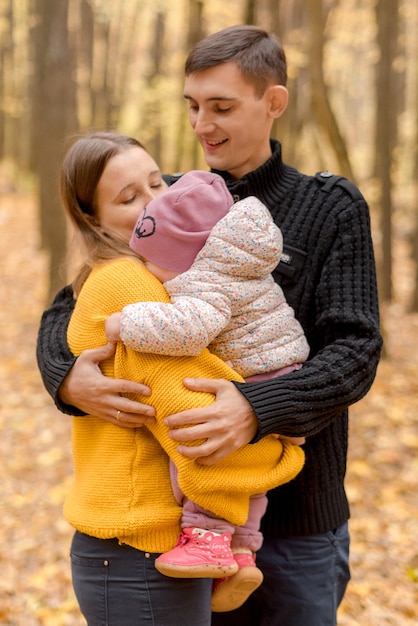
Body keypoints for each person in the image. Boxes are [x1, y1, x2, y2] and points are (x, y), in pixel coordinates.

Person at [36, 25, 383, 626]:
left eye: (221, 107)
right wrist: (68, 379)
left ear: (272, 102)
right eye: (193, 107)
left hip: (298, 519)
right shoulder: (162, 201)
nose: (202, 125)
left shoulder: (330, 205)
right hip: (185, 526)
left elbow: (356, 349)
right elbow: (70, 305)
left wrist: (257, 407)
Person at [48, 131, 305, 625]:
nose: (155, 204)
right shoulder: (128, 282)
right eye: (128, 198)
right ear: (92, 220)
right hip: (137, 549)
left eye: (156, 183)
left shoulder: (159, 274)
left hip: (146, 547)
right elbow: (200, 421)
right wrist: (283, 441)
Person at [104, 169, 309, 610]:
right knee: (252, 479)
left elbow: (189, 329)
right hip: (286, 371)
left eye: (150, 260)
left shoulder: (204, 281)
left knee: (206, 453)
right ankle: (243, 550)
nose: (146, 271)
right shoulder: (238, 263)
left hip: (259, 376)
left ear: (181, 256)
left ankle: (207, 538)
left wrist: (128, 323)